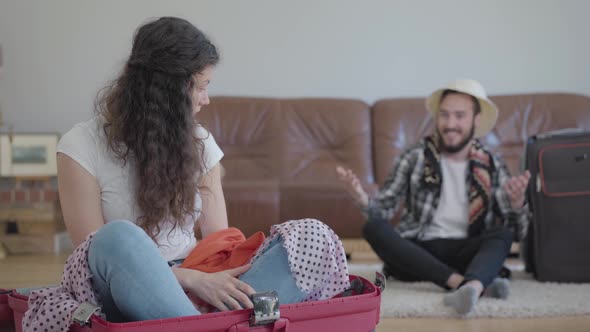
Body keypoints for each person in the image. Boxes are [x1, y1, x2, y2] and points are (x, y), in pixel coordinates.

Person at [22, 17, 348, 331]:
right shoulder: (79, 146)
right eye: (201, 87)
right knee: (115, 238)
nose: (206, 99)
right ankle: (218, 325)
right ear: (166, 92)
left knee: (313, 236)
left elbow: (219, 239)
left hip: (204, 285)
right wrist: (191, 280)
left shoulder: (201, 142)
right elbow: (89, 260)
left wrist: (215, 278)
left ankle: (197, 322)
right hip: (131, 289)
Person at [337, 79, 530, 315]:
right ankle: (467, 285)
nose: (450, 124)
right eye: (445, 115)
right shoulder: (415, 156)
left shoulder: (492, 164)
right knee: (373, 228)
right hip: (421, 250)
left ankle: (471, 284)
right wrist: (361, 198)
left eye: (460, 116)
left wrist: (517, 203)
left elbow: (517, 232)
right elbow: (385, 207)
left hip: (467, 250)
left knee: (503, 234)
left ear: (476, 120)